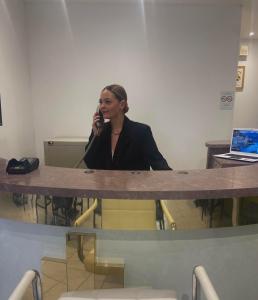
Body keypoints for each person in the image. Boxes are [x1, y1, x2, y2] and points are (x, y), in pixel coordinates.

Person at [84, 84, 171, 171]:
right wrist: (96, 136)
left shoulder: (141, 132)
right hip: (107, 184)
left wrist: (172, 180)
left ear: (122, 104)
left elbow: (159, 164)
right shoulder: (100, 131)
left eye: (107, 102)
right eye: (100, 102)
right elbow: (90, 163)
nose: (102, 106)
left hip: (134, 184)